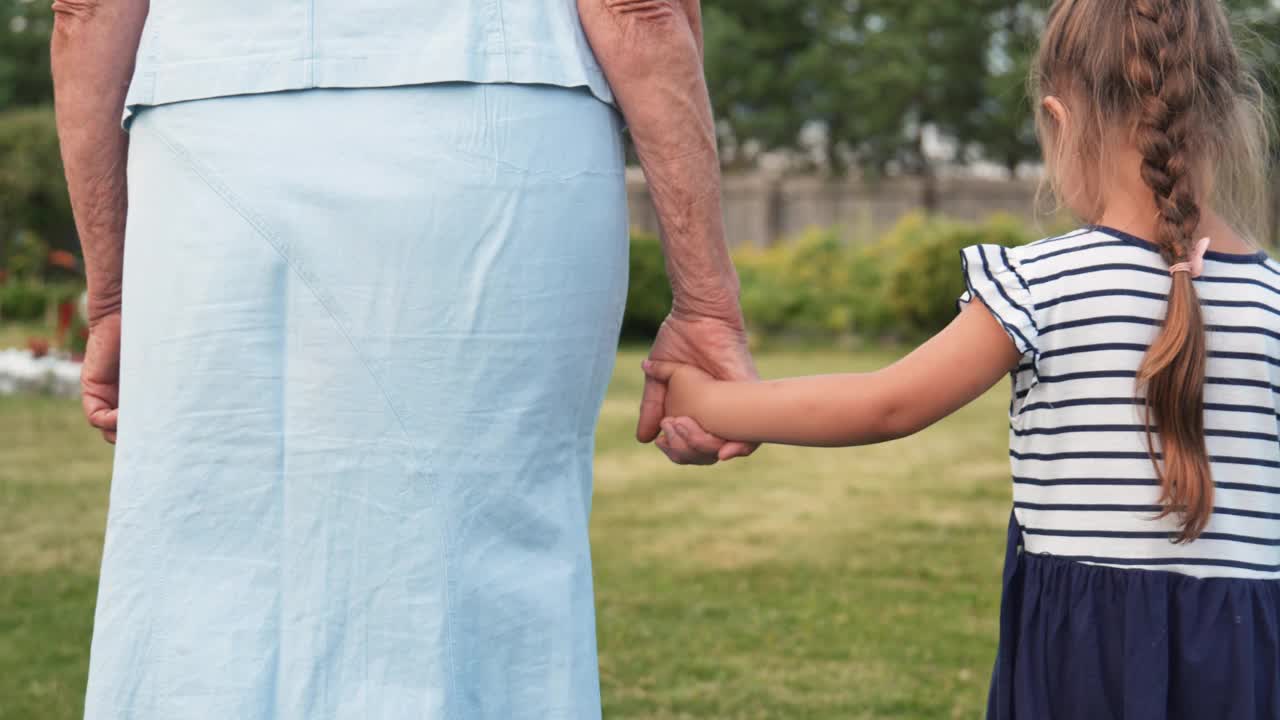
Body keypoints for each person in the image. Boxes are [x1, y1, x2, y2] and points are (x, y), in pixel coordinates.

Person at [51, 0, 755, 717]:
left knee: (195, 572)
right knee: (473, 571)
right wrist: (705, 303)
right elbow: (639, 9)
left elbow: (88, 11)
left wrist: (110, 296)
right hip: (497, 111)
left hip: (208, 122)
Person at [643, 0, 1279, 716]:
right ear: (1227, 117)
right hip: (1246, 652)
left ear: (1060, 122)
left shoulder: (1041, 284)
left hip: (1084, 655)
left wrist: (701, 397)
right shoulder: (1274, 299)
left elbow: (886, 404)